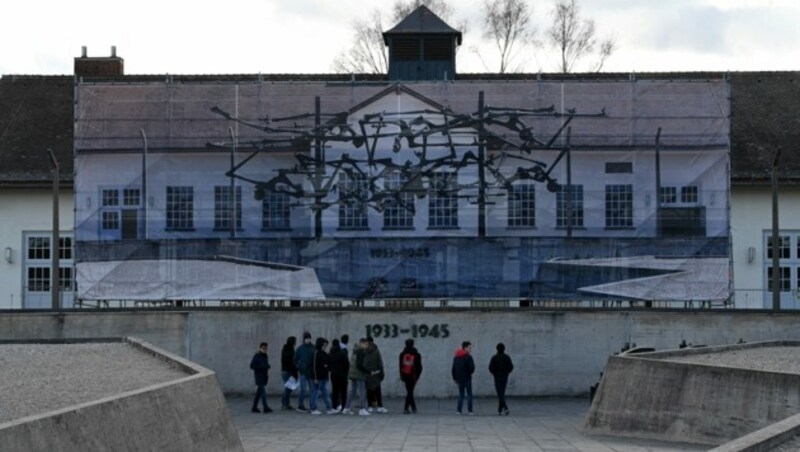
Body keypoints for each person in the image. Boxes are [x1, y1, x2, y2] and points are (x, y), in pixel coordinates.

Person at [341, 337, 370, 416]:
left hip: (353, 374)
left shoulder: (355, 351)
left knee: (352, 392)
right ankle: (362, 409)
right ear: (361, 343)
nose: (367, 346)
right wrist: (367, 371)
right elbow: (359, 365)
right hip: (359, 374)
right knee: (362, 392)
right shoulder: (361, 352)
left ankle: (346, 408)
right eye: (366, 344)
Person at [309, 337, 337, 415]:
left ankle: (329, 408)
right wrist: (315, 378)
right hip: (317, 378)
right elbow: (314, 366)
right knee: (315, 393)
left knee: (326, 394)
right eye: (324, 345)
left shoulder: (325, 354)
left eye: (326, 345)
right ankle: (313, 409)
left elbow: (329, 363)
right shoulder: (315, 353)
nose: (325, 347)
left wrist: (327, 367)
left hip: (324, 377)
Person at [489, 342, 514, 415]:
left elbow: (490, 368)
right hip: (505, 377)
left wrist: (494, 373)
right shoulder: (507, 357)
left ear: (497, 349)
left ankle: (505, 408)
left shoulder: (494, 357)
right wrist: (507, 372)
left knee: (500, 393)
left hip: (497, 377)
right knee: (502, 393)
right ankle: (499, 410)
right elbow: (511, 367)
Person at [398, 338, 422, 414]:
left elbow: (400, 366)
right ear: (413, 344)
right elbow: (419, 367)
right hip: (413, 375)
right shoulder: (416, 354)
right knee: (410, 391)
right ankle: (407, 408)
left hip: (405, 375)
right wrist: (418, 376)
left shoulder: (402, 354)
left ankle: (412, 408)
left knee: (409, 391)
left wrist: (401, 375)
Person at [364, 336, 387, 413]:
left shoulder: (363, 350)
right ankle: (380, 406)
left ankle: (370, 406)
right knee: (377, 390)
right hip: (376, 373)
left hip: (367, 373)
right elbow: (380, 363)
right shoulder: (376, 350)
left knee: (368, 390)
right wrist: (382, 373)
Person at [451, 341, 475, 415]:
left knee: (461, 394)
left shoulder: (456, 357)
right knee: (469, 394)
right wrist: (469, 373)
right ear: (465, 348)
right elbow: (472, 368)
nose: (470, 349)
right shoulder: (469, 357)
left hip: (459, 379)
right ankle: (470, 411)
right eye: (469, 347)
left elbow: (453, 368)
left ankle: (459, 410)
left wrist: (455, 378)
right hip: (467, 378)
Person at [249, 342, 273, 413]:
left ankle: (254, 407)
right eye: (263, 348)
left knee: (258, 393)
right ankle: (265, 407)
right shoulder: (256, 356)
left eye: (266, 348)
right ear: (260, 348)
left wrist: (267, 366)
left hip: (264, 376)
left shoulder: (265, 356)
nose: (265, 350)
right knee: (263, 393)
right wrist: (262, 367)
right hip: (258, 376)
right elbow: (252, 365)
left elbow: (265, 365)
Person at [294, 332, 314, 412]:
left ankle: (312, 406)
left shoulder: (313, 348)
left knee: (312, 390)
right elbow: (295, 360)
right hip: (303, 372)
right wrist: (299, 367)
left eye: (309, 338)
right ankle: (300, 405)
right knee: (303, 390)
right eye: (306, 339)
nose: (308, 340)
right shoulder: (300, 348)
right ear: (304, 339)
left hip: (311, 372)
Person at [329, 338, 349, 412]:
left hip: (334, 375)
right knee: (343, 392)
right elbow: (347, 364)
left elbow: (329, 365)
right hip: (342, 375)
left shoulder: (330, 354)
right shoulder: (342, 354)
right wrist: (346, 373)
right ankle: (343, 407)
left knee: (335, 391)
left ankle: (334, 406)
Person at [280, 336, 297, 410]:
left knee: (288, 388)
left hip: (285, 370)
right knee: (288, 388)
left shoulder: (285, 349)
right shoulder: (290, 350)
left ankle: (286, 403)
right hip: (288, 371)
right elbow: (292, 362)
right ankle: (285, 404)